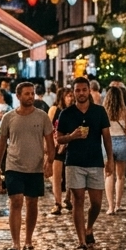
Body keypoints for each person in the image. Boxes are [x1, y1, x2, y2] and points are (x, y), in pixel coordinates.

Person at [0, 80, 55, 250]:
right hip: (14, 166)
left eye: (32, 93)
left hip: (35, 167)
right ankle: (15, 243)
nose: (30, 97)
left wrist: (50, 162)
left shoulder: (42, 117)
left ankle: (28, 240)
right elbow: (1, 144)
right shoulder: (9, 117)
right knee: (16, 200)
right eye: (27, 94)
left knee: (32, 203)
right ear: (18, 96)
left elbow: (50, 142)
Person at [56, 77, 114, 250]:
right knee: (78, 201)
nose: (81, 93)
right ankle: (81, 242)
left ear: (89, 91)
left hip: (95, 162)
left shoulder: (99, 111)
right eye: (77, 90)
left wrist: (110, 159)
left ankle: (89, 228)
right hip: (74, 162)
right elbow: (59, 139)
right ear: (73, 93)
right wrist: (72, 136)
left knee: (96, 203)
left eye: (84, 90)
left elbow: (106, 137)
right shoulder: (66, 114)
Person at [103, 86, 126, 214]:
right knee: (120, 176)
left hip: (108, 143)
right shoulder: (125, 111)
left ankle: (110, 207)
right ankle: (118, 205)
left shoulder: (104, 111)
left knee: (109, 175)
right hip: (122, 142)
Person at [48, 87, 73, 215]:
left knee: (71, 176)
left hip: (71, 146)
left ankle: (68, 198)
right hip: (57, 146)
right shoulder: (55, 110)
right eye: (68, 96)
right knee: (57, 176)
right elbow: (47, 128)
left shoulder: (74, 111)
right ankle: (57, 203)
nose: (71, 98)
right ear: (62, 97)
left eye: (72, 96)